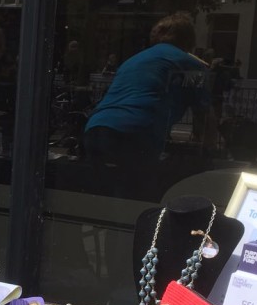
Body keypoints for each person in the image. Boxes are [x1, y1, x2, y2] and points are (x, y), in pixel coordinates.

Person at [83, 12, 210, 200]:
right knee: (143, 194)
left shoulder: (135, 59)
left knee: (106, 195)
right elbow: (205, 114)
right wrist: (207, 153)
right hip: (138, 131)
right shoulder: (191, 64)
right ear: (189, 39)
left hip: (96, 128)